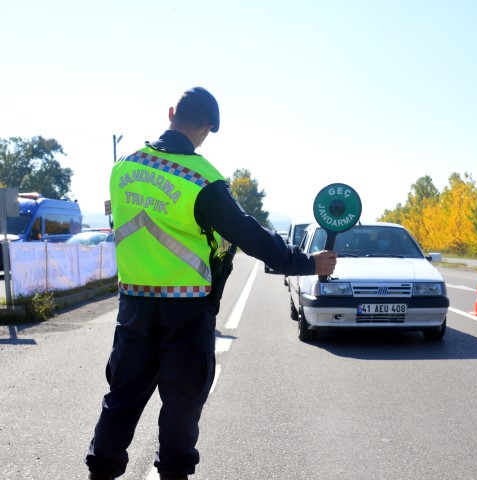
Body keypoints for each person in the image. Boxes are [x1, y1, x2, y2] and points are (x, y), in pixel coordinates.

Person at [85, 87, 337, 480]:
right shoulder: (202, 179)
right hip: (186, 311)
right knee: (182, 403)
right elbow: (250, 235)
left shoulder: (122, 168)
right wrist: (307, 262)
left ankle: (99, 473)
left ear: (171, 113)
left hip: (133, 304)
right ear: (206, 130)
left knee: (122, 398)